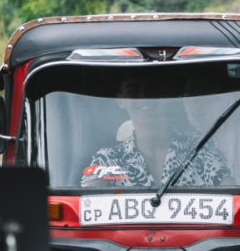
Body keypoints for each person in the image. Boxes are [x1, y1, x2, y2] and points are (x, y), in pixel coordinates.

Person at [81, 76, 231, 189]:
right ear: (121, 100)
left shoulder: (200, 148)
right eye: (133, 91)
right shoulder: (107, 158)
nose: (145, 97)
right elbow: (84, 204)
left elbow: (231, 194)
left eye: (153, 89)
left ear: (166, 96)